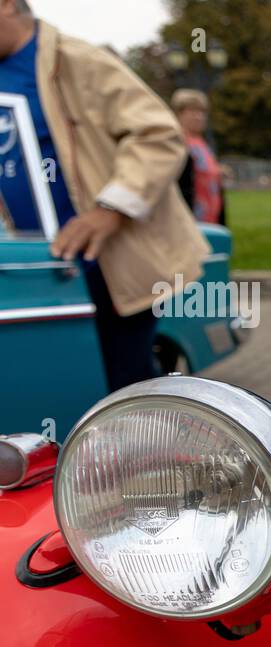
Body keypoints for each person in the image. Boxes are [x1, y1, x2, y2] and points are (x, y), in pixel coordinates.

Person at [0, 0, 208, 391]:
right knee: (55, 388)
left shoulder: (75, 59)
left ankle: (143, 451)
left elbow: (158, 135)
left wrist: (110, 209)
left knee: (124, 391)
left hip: (110, 267)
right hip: (41, 270)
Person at [173, 88, 225, 225]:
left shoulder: (203, 146)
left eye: (202, 112)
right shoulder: (177, 143)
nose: (199, 117)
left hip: (211, 220)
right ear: (179, 114)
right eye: (193, 112)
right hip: (188, 222)